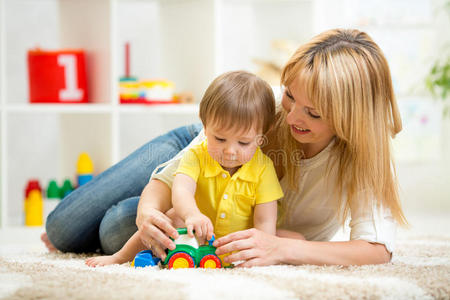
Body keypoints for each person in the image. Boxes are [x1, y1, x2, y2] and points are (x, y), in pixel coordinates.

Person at [44, 28, 407, 267]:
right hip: (201, 146)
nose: (291, 115)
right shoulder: (264, 115)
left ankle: (115, 221)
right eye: (290, 96)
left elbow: (376, 250)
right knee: (65, 229)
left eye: (312, 113)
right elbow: (180, 171)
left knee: (113, 229)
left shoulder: (366, 157)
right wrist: (148, 210)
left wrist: (280, 248)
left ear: (351, 118)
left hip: (215, 212)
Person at [83, 71, 283, 267]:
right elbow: (181, 191)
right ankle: (119, 257)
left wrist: (259, 252)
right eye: (220, 139)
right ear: (204, 126)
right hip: (193, 233)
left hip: (235, 243)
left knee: (287, 236)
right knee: (168, 218)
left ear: (262, 134)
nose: (230, 151)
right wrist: (191, 214)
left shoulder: (264, 168)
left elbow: (265, 219)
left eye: (244, 143)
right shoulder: (196, 155)